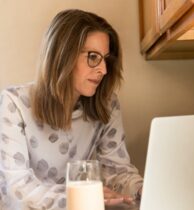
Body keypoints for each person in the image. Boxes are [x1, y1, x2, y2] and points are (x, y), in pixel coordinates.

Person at [0, 9, 143, 210]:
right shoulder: (13, 103)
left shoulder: (106, 104)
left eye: (106, 59)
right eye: (93, 57)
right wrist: (83, 196)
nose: (104, 70)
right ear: (62, 56)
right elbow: (16, 191)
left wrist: (141, 189)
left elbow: (116, 171)